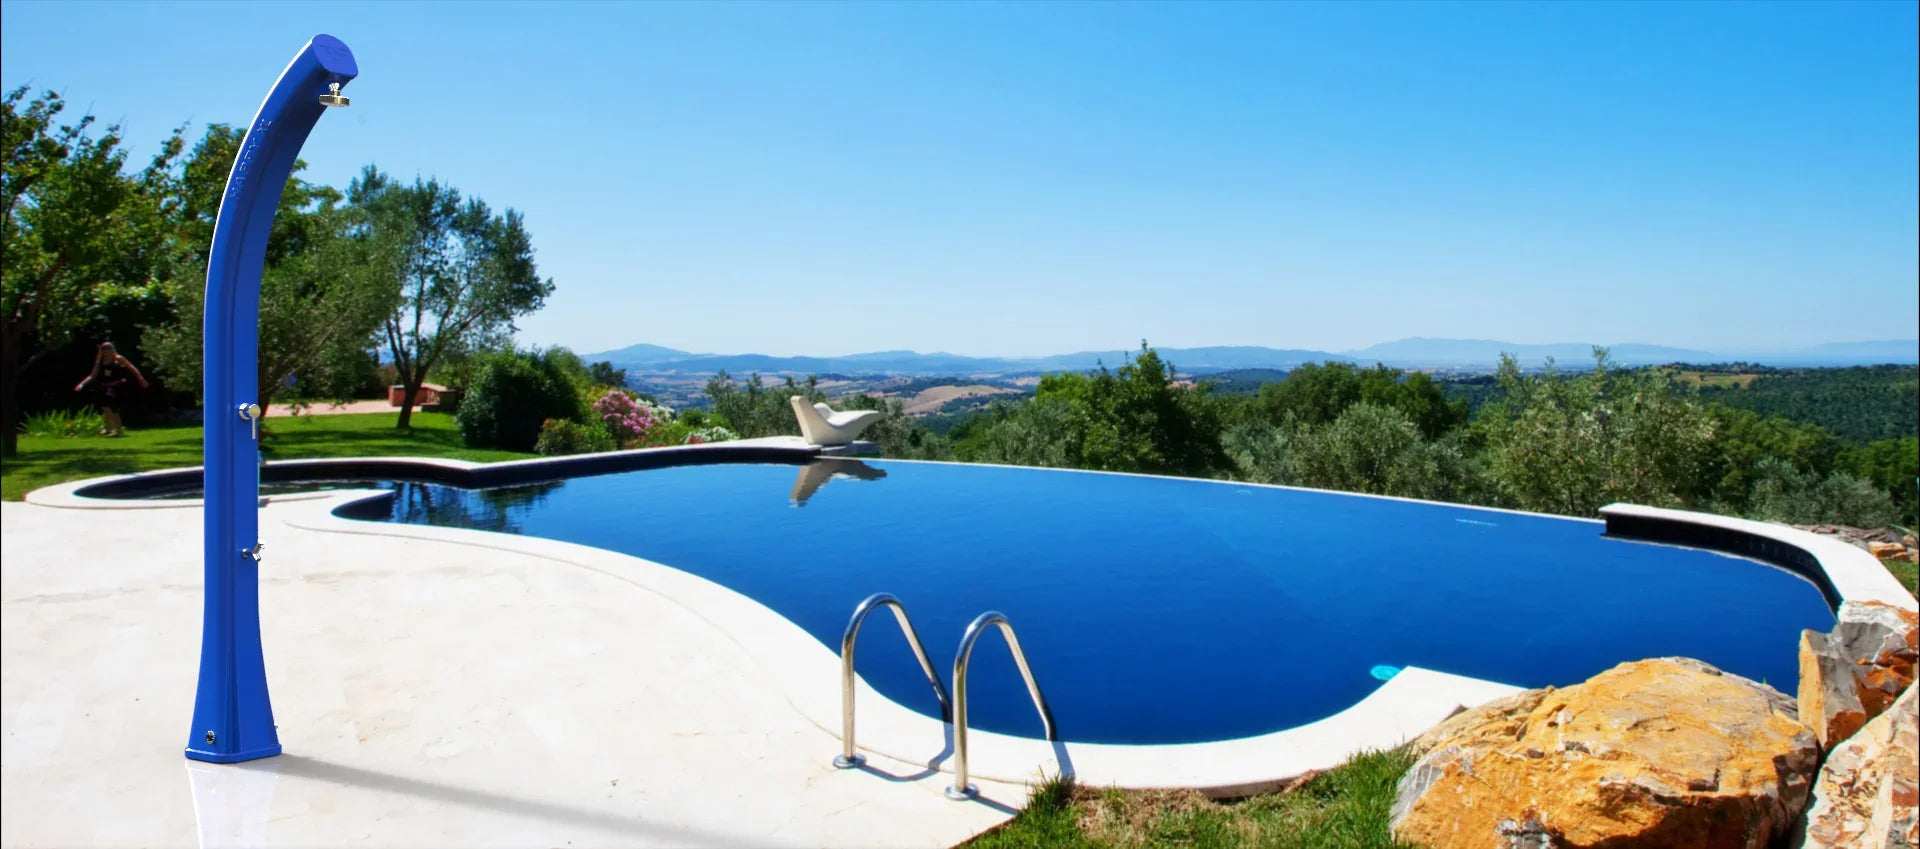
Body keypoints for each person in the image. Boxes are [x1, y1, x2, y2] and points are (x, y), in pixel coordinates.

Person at [74, 342, 149, 437]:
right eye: (103, 348)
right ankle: (109, 429)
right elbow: (93, 375)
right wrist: (82, 384)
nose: (105, 350)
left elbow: (132, 368)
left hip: (117, 387)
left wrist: (141, 379)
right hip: (105, 387)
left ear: (112, 349)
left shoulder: (118, 359)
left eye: (108, 348)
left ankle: (119, 431)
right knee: (106, 408)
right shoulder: (100, 361)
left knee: (114, 409)